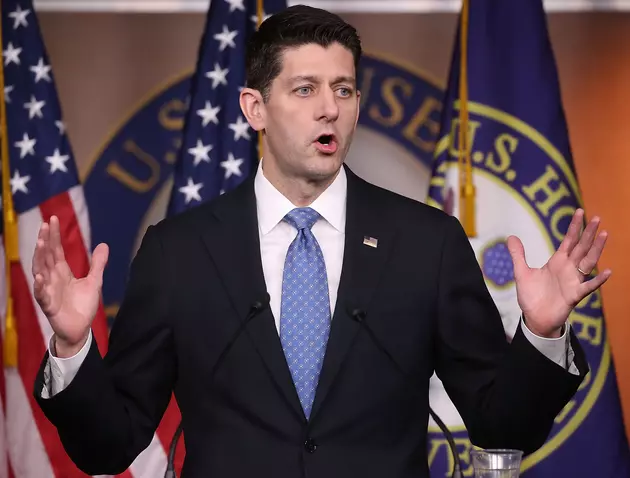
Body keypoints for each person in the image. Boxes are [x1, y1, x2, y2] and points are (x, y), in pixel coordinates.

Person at [32, 5, 608, 478]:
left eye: (344, 89)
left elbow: (501, 429)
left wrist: (542, 332)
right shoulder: (178, 251)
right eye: (305, 89)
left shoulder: (426, 243)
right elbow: (108, 447)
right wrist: (71, 344)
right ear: (254, 109)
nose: (329, 108)